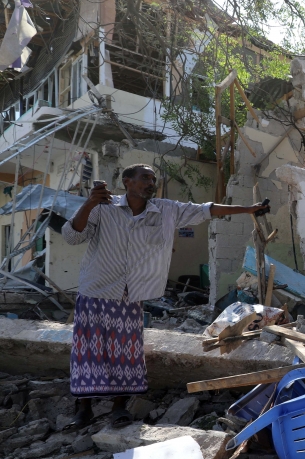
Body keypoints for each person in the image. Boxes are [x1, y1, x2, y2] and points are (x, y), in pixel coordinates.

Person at [61, 163, 269, 429]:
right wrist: (89, 203)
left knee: (127, 352)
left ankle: (119, 408)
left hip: (130, 296)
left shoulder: (166, 210)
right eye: (145, 178)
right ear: (127, 181)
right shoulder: (103, 207)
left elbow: (207, 210)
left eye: (153, 179)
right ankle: (84, 409)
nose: (151, 183)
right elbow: (71, 236)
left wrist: (249, 209)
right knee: (88, 352)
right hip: (96, 292)